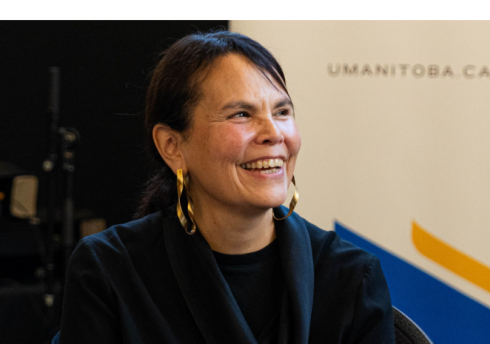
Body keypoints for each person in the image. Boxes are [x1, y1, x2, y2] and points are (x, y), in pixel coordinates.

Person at [57, 31, 395, 344]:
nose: (273, 133)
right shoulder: (109, 271)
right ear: (172, 145)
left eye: (282, 111)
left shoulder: (351, 278)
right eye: (241, 114)